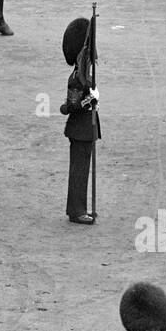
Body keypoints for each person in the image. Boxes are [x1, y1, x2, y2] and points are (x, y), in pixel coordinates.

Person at [59, 16, 99, 226]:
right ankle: (77, 210)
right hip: (80, 128)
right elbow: (72, 106)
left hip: (85, 128)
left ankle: (80, 207)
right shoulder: (77, 78)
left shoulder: (83, 74)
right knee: (79, 171)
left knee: (82, 170)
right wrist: (88, 101)